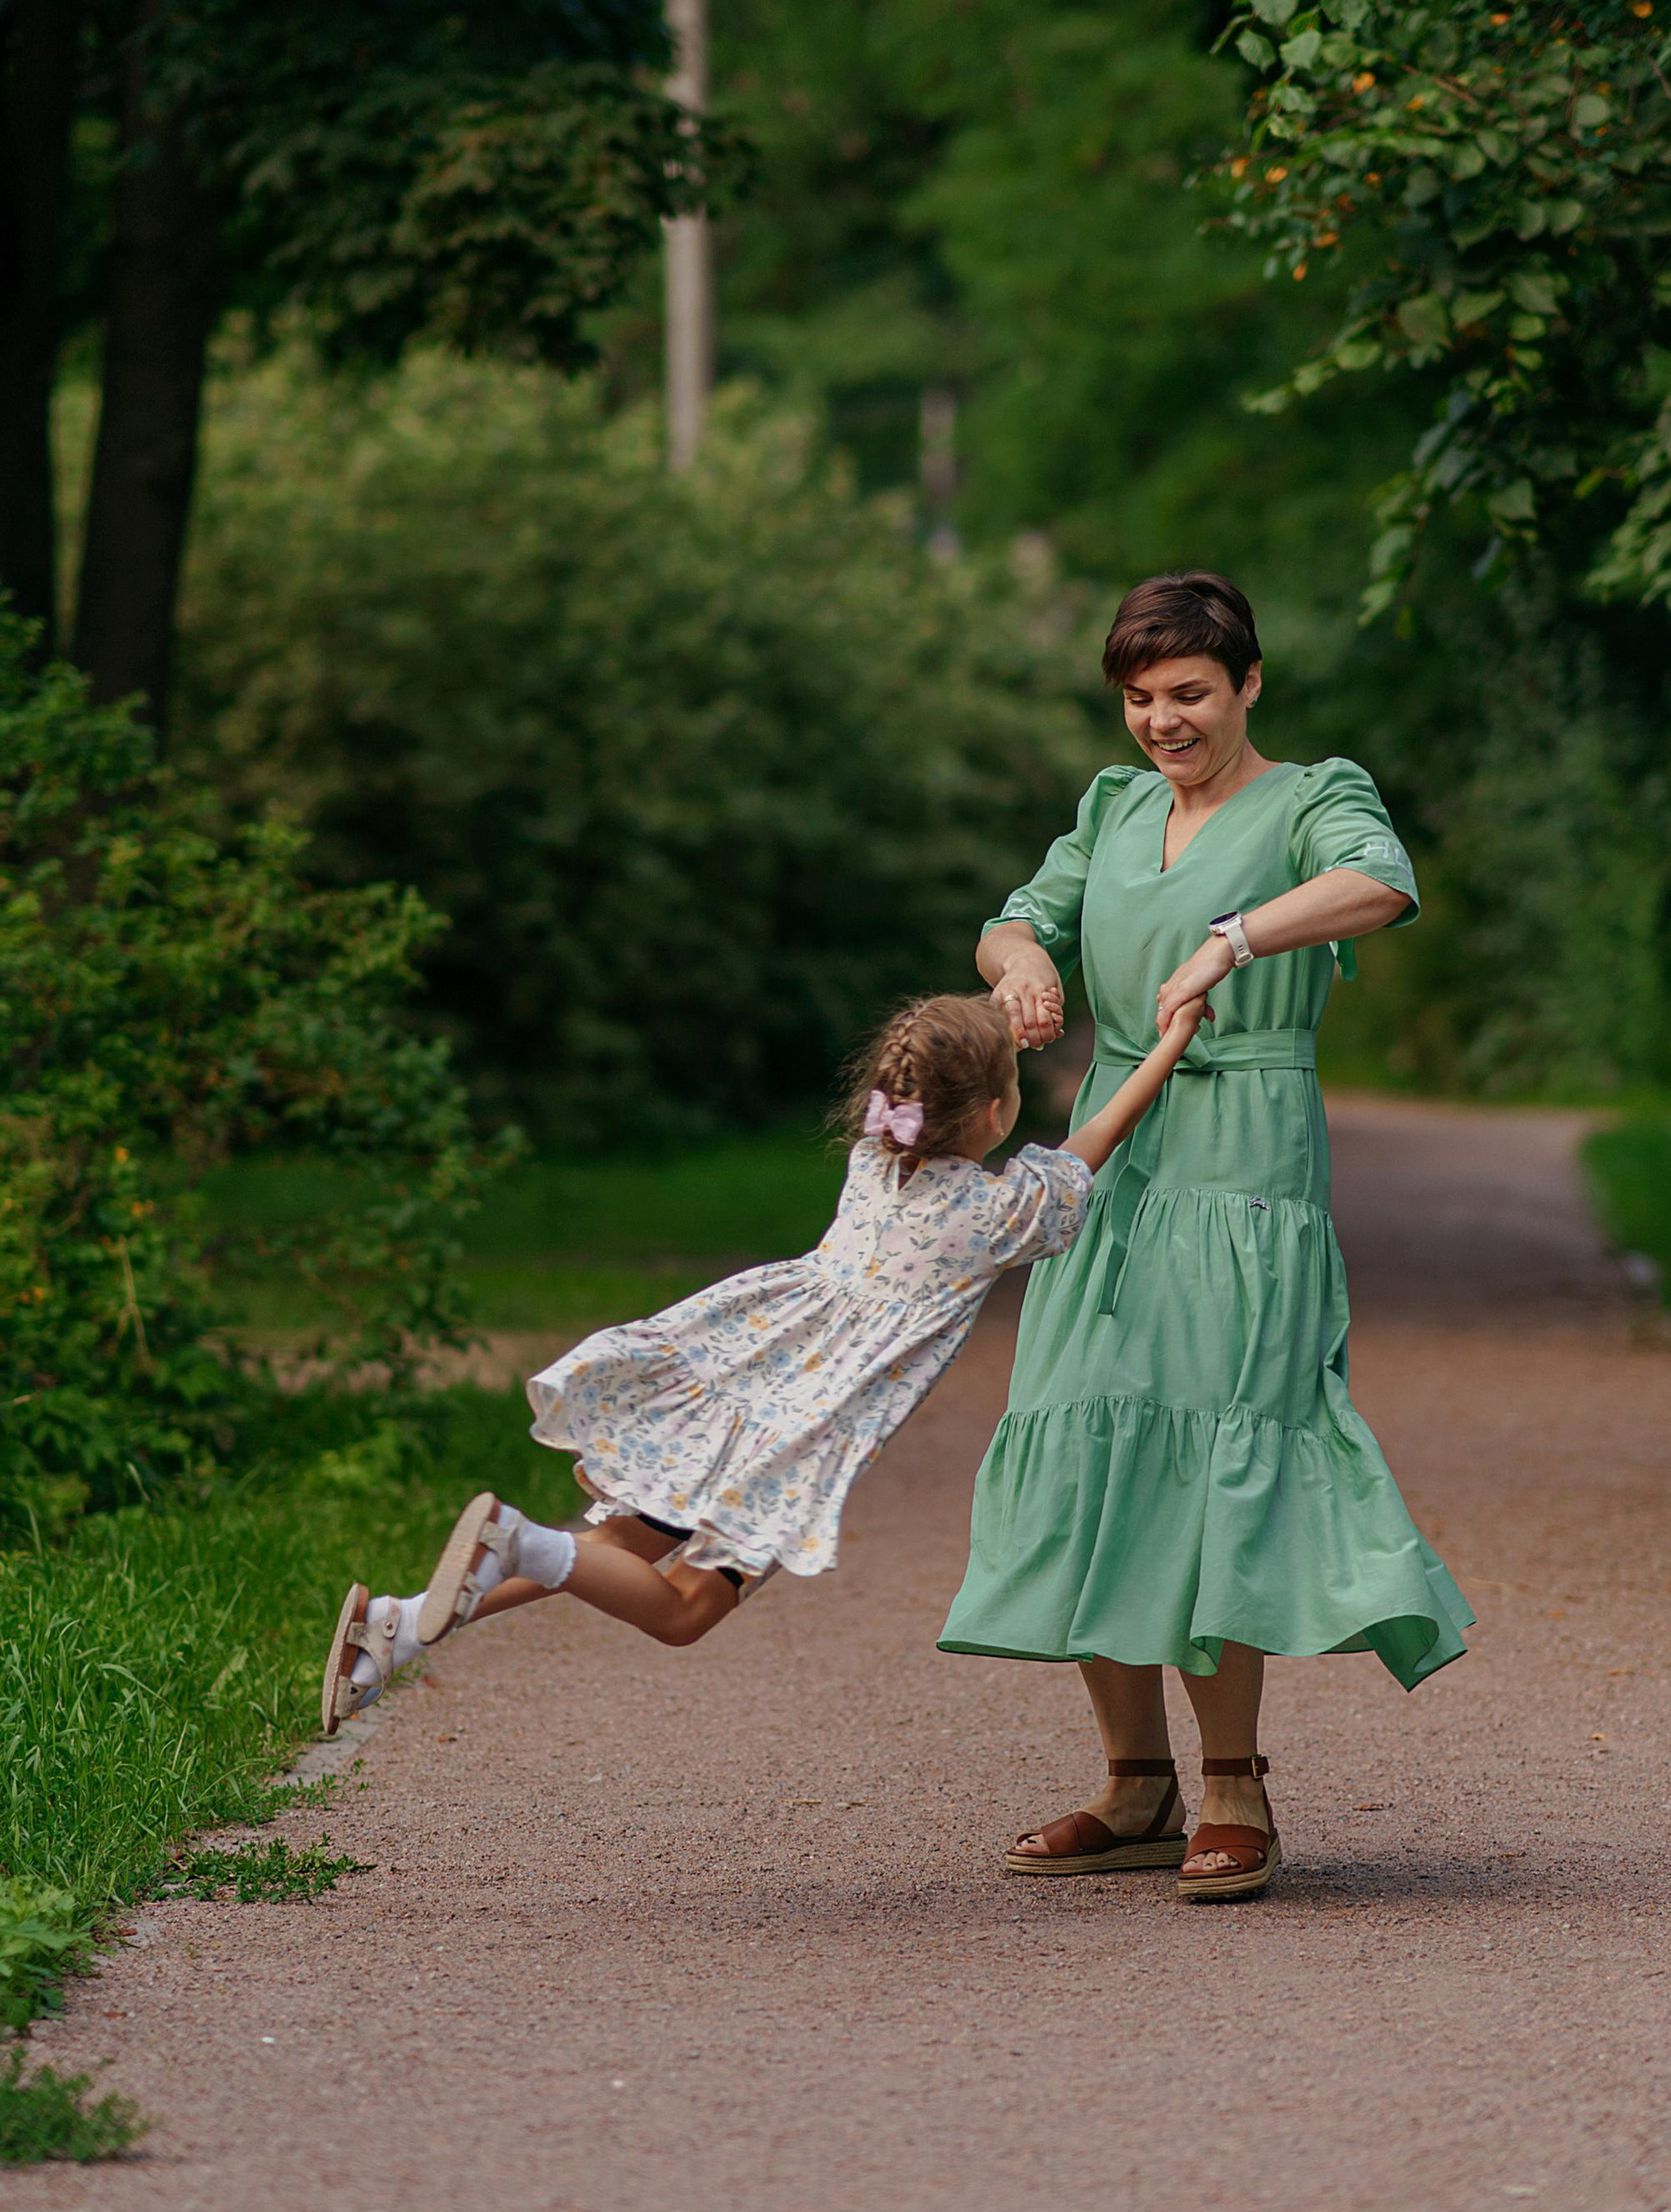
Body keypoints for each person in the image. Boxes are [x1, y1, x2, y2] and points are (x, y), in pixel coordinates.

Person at [941, 568, 1473, 1902]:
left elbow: (1379, 883)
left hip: (1245, 1153)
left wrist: (1235, 938)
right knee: (1083, 1427)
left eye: (1188, 691)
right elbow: (1018, 916)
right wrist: (1024, 962)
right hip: (1107, 1150)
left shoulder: (1310, 797)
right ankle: (1135, 1786)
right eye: (1139, 697)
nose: (1162, 720)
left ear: (1247, 684)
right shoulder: (1113, 806)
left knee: (1215, 1443)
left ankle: (1235, 1786)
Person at [320, 987, 1210, 1731]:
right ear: (994, 1112)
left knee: (621, 1544)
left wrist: (993, 1025)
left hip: (739, 1388)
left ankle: (396, 1629)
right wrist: (1168, 1045)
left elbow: (943, 1066)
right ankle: (515, 1540)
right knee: (682, 1614)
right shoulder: (990, 1216)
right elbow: (1092, 1143)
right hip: (796, 1439)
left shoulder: (873, 1163)